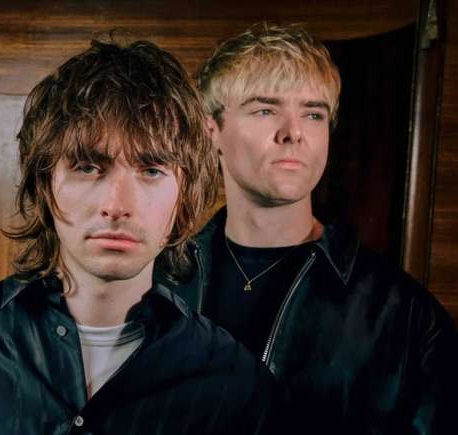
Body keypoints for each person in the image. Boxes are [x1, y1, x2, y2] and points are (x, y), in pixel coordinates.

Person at [0, 39, 274, 434]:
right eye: (88, 167)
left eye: (151, 171)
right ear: (45, 184)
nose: (116, 205)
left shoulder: (234, 382)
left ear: (185, 195)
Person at [180, 23, 458, 434]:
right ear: (212, 130)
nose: (293, 133)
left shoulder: (405, 314)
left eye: (313, 114)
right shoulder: (160, 284)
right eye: (265, 110)